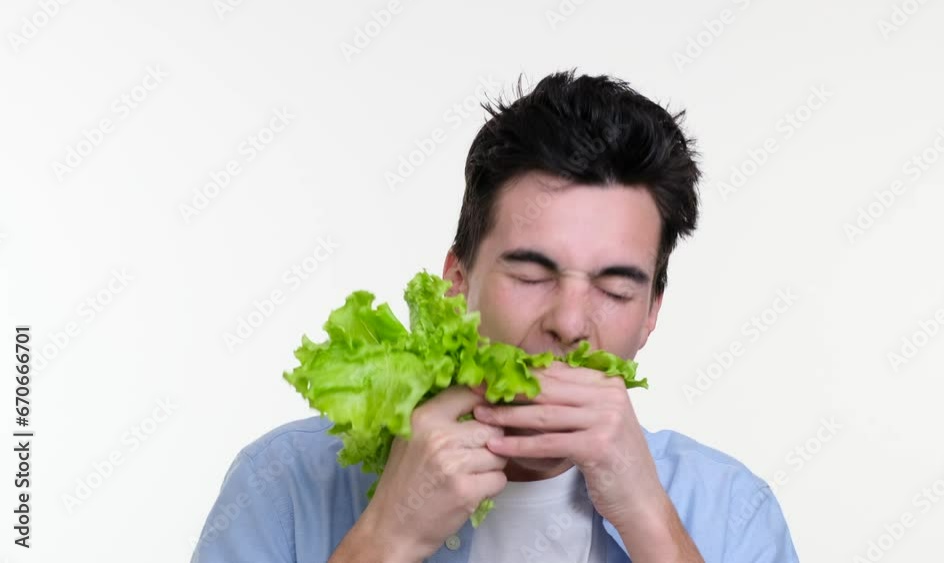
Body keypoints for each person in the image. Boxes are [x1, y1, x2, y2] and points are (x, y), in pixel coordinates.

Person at [191, 69, 800, 563]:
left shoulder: (731, 508)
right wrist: (386, 540)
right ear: (457, 284)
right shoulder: (285, 484)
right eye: (532, 274)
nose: (569, 322)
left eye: (615, 289)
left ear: (651, 315)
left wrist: (649, 521)